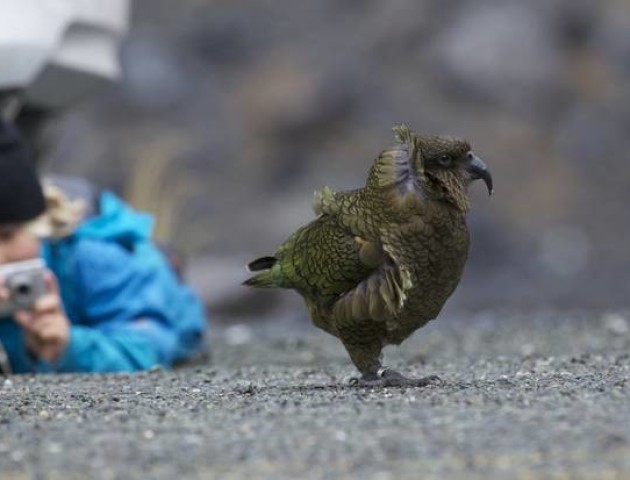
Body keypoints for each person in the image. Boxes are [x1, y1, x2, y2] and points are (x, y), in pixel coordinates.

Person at [0, 120, 208, 374]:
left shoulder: (91, 257)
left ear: (39, 224)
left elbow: (148, 348)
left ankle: (166, 265)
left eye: (6, 236)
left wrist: (69, 346)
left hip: (155, 310)